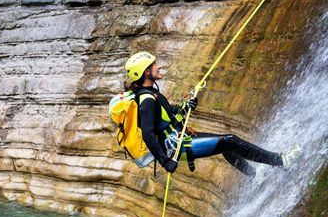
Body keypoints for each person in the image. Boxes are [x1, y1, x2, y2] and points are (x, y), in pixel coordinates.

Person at [124, 52, 301, 175]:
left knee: (225, 144)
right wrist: (165, 161)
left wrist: (186, 107)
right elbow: (148, 133)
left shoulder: (151, 93)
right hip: (176, 147)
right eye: (154, 65)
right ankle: (281, 161)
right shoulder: (146, 99)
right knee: (229, 141)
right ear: (146, 72)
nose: (158, 66)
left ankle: (254, 175)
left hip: (179, 138)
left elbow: (168, 116)